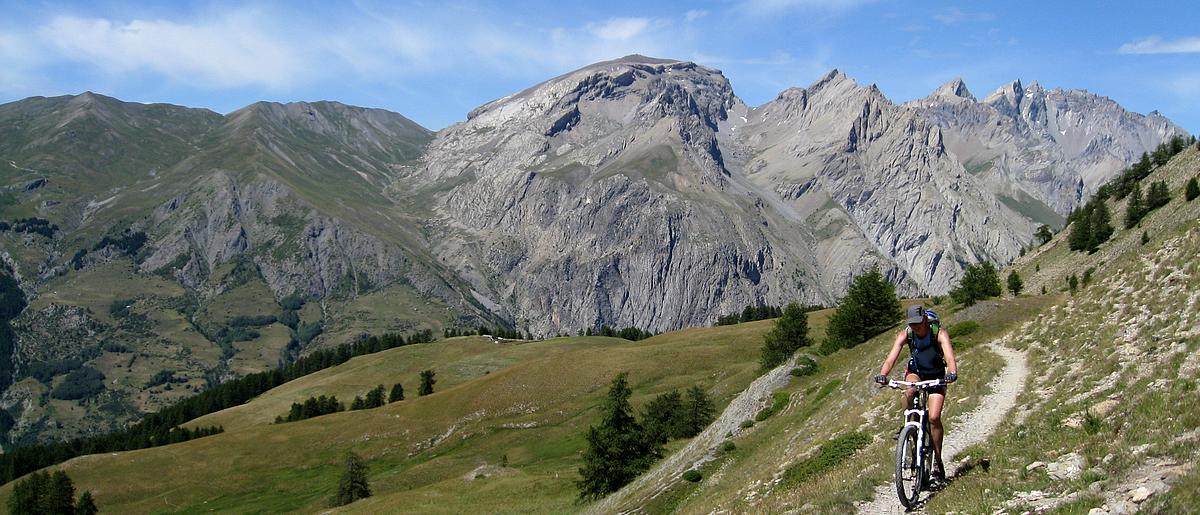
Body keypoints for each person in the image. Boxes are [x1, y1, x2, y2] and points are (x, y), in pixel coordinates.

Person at [874, 305, 958, 483]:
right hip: (917, 372)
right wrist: (883, 374)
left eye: (918, 324)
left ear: (925, 320)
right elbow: (891, 357)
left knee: (934, 418)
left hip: (936, 377)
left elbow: (950, 357)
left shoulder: (939, 333)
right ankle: (908, 426)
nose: (915, 328)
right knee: (909, 390)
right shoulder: (906, 334)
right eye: (912, 324)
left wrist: (952, 372)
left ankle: (937, 460)